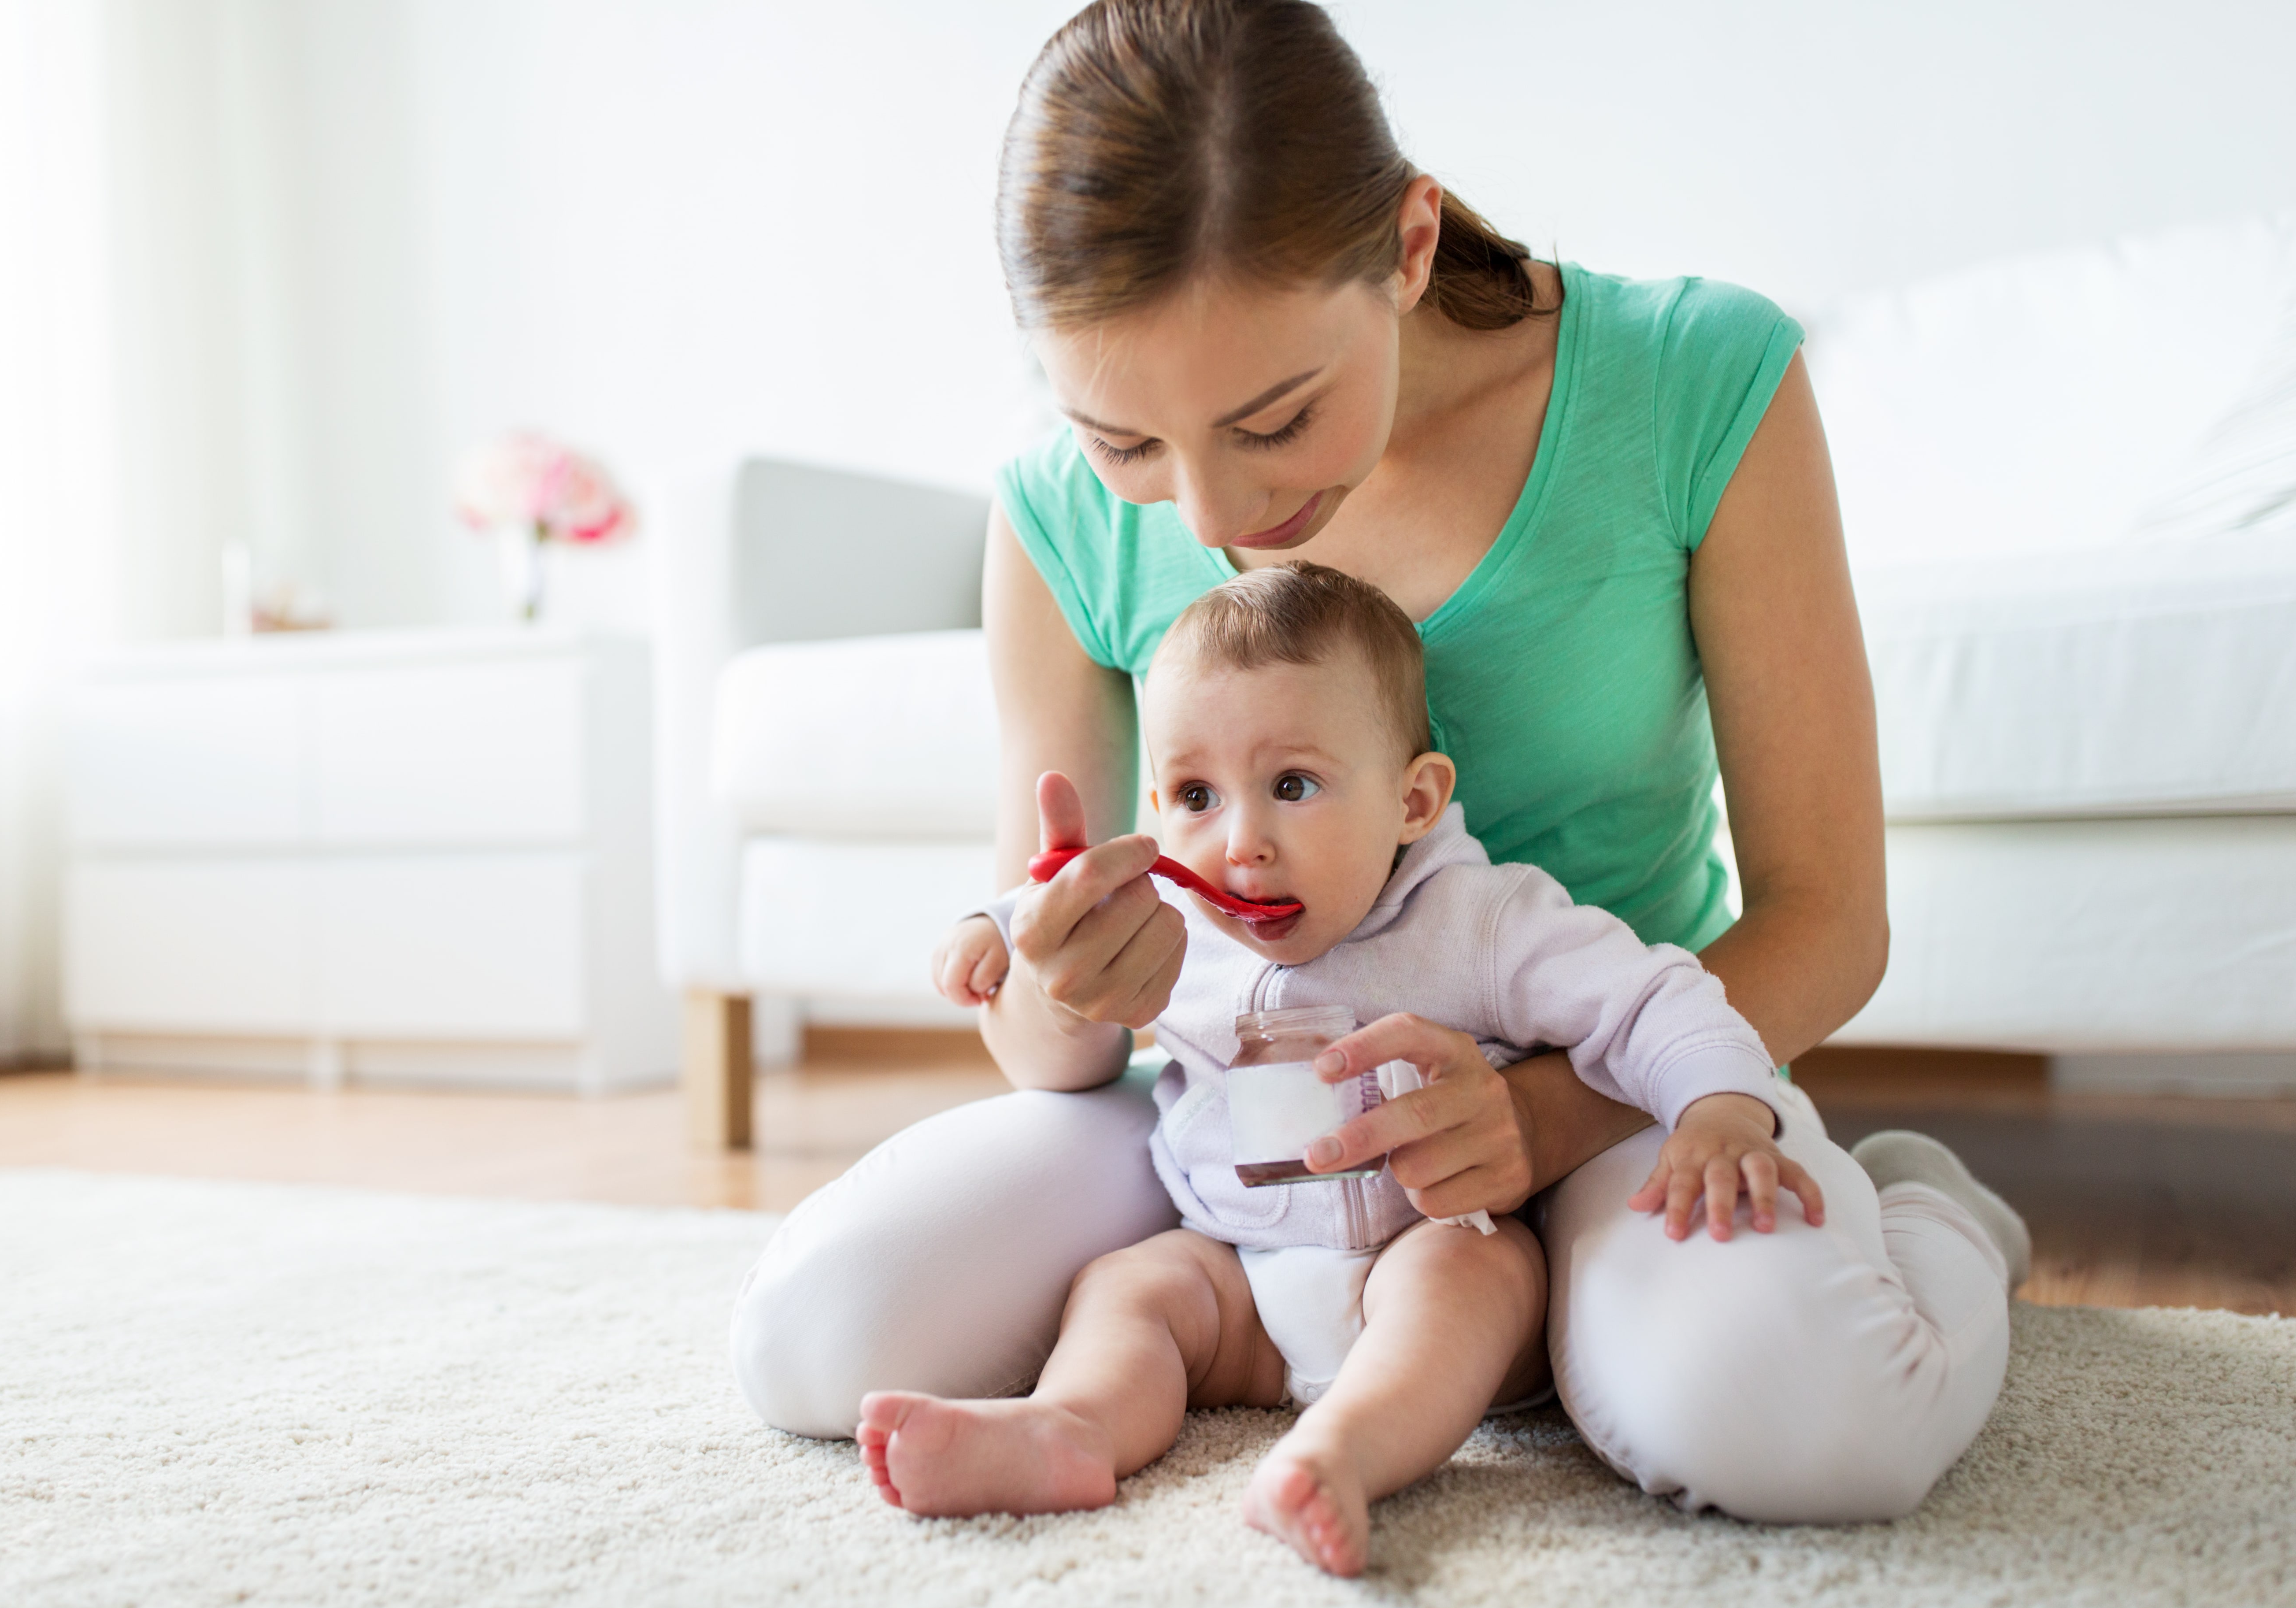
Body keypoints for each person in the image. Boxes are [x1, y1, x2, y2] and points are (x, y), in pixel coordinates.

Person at [734, 0, 2032, 1524]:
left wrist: (1536, 1119)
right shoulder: (1050, 521)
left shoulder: (1697, 380)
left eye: (1273, 418)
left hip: (1621, 1092)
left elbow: (1831, 916)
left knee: (1802, 1429)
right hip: (1234, 1119)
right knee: (814, 1344)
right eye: (1126, 443)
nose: (1209, 513)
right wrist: (1065, 982)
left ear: (1410, 246)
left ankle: (1932, 1210)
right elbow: (1051, 1041)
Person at [860, 563, 1818, 1578]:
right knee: (1128, 1287)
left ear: (1413, 800)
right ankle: (1072, 1428)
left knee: (1476, 1275)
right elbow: (1054, 900)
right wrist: (992, 931)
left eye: (1293, 787)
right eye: (1195, 795)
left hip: (1423, 1253)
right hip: (1236, 1279)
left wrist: (1722, 1106)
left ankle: (1340, 1455)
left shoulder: (1481, 922)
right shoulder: (1172, 923)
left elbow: (1648, 997)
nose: (1242, 845)